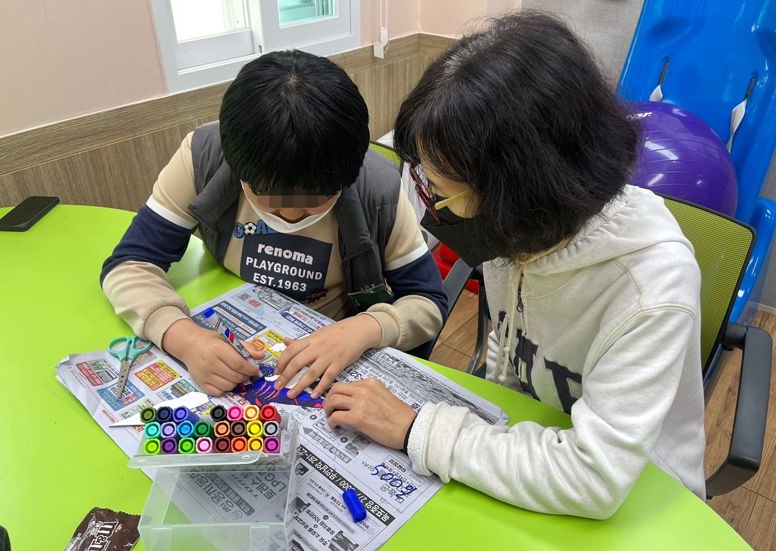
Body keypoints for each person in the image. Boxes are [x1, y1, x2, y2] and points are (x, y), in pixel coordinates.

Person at [323, 12, 706, 519]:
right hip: (531, 457)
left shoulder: (649, 286)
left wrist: (419, 430)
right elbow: (508, 346)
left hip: (639, 504)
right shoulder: (522, 233)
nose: (432, 206)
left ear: (523, 186)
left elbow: (595, 478)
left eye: (442, 191)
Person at [101, 50, 448, 398]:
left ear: (349, 173)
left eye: (317, 198)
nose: (293, 214)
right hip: (233, 335)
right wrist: (183, 337)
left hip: (327, 352)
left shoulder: (377, 187)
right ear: (237, 167)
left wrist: (367, 327)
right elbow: (130, 264)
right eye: (267, 196)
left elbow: (428, 301)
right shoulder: (204, 157)